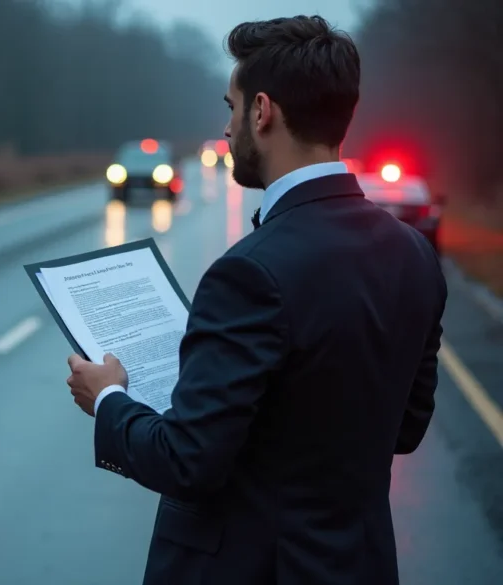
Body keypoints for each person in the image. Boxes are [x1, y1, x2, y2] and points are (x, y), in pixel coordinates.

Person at [65, 15, 446, 585]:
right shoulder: (414, 255)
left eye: (231, 106)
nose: (226, 127)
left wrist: (109, 401)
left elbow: (186, 461)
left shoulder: (249, 273)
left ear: (262, 112)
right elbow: (406, 429)